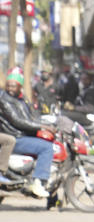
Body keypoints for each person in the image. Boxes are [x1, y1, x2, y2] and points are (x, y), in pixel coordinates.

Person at [0, 67, 54, 197]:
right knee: (46, 148)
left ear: (20, 86)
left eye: (14, 86)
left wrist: (46, 123)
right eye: (9, 85)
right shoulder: (5, 100)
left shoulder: (22, 99)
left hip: (23, 133)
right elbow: (17, 121)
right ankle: (38, 181)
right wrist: (42, 127)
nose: (11, 88)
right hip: (16, 135)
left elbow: (31, 116)